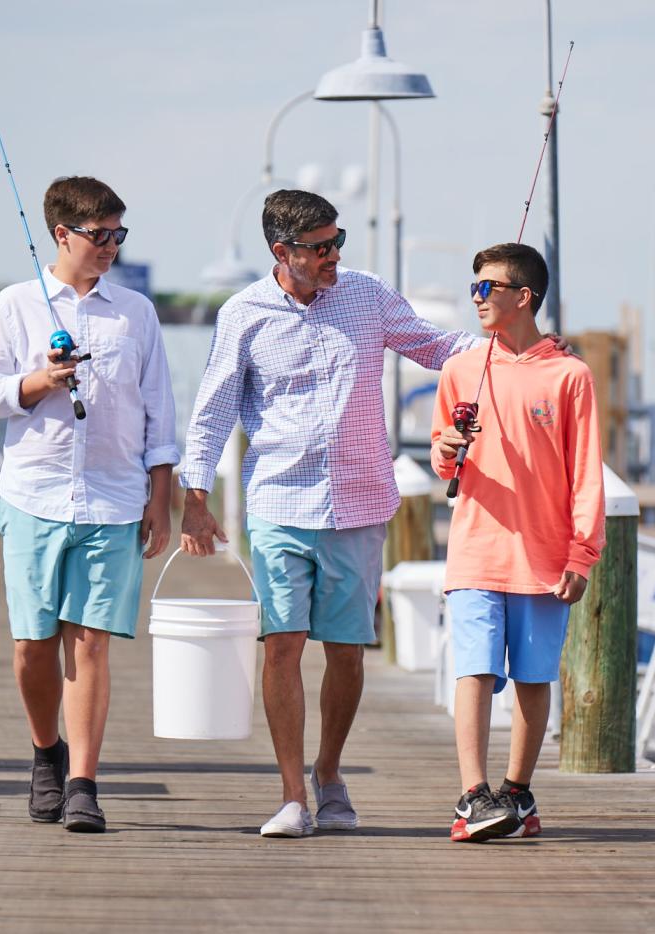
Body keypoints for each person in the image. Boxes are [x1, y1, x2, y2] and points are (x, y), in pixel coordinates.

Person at [179, 189, 493, 838]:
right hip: (278, 505)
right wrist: (195, 499)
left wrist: (516, 347)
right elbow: (211, 410)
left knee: (347, 654)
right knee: (283, 646)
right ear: (282, 253)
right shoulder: (244, 314)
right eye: (320, 248)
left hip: (358, 503)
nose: (334, 256)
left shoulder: (366, 294)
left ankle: (329, 770)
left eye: (337, 241)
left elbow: (436, 346)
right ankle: (293, 793)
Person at [0, 175, 178, 834]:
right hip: (35, 493)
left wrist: (161, 499)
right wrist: (40, 381)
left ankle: (84, 782)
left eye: (119, 235)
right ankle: (45, 754)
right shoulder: (14, 306)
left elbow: (161, 417)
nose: (111, 246)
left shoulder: (135, 314)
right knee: (34, 644)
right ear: (62, 234)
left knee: (90, 645)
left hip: (115, 500)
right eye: (100, 235)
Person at [431, 242, 605, 842]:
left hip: (546, 559)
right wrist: (446, 451)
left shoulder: (571, 376)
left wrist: (583, 554)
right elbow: (442, 457)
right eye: (473, 286)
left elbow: (586, 473)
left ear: (522, 296)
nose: (475, 297)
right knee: (473, 669)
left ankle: (518, 792)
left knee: (534, 678)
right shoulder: (460, 368)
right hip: (476, 548)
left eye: (487, 287)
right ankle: (472, 796)